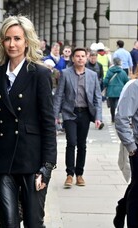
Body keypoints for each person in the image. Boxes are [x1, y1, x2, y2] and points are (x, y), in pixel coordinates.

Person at [0, 15, 57, 228]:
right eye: (7, 39)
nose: (12, 44)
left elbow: (48, 123)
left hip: (31, 161)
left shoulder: (39, 74)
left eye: (17, 38)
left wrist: (47, 166)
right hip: (3, 162)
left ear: (27, 41)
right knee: (8, 222)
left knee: (34, 223)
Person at [53, 47, 102, 188]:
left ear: (86, 58)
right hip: (69, 113)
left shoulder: (92, 75)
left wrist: (98, 116)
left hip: (85, 113)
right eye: (77, 56)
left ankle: (79, 174)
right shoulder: (65, 74)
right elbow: (59, 95)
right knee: (71, 142)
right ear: (73, 58)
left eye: (82, 56)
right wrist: (55, 115)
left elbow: (97, 97)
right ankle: (69, 174)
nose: (80, 58)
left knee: (82, 144)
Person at [114, 68, 138, 228]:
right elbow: (121, 117)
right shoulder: (134, 87)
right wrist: (131, 147)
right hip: (137, 148)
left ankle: (122, 207)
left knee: (135, 185)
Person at [103, 57, 129, 123]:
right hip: (120, 91)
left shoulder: (109, 71)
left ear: (113, 63)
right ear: (120, 63)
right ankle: (119, 118)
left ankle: (113, 118)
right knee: (119, 105)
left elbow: (105, 81)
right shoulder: (123, 72)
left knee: (112, 106)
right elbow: (126, 81)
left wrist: (106, 86)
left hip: (111, 91)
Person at [86, 50, 105, 129]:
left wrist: (99, 82)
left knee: (98, 102)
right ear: (89, 57)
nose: (93, 60)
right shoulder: (86, 65)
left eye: (95, 58)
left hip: (97, 87)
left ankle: (99, 120)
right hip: (88, 87)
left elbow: (101, 75)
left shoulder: (99, 65)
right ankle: (93, 118)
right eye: (92, 58)